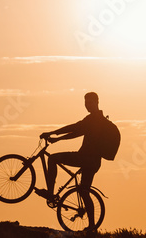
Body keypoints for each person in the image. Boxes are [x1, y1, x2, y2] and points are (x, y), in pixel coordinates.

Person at [35, 92, 108, 230]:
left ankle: (50, 194)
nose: (87, 106)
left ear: (97, 102)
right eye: (85, 103)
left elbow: (74, 129)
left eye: (89, 103)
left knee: (52, 158)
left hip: (85, 158)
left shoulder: (94, 120)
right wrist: (56, 137)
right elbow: (76, 131)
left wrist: (53, 134)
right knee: (84, 191)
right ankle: (92, 227)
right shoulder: (97, 119)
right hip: (93, 162)